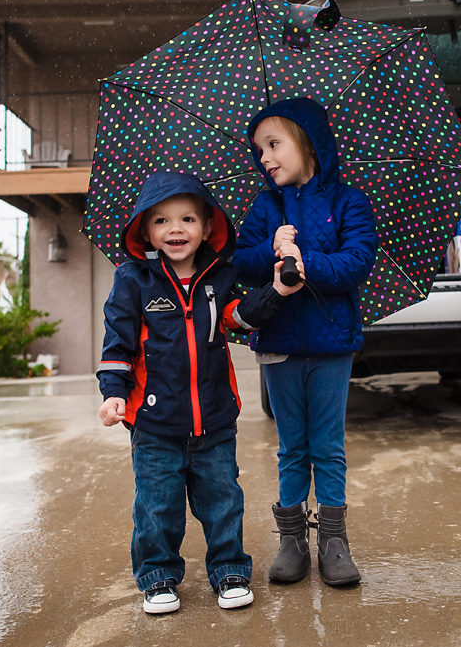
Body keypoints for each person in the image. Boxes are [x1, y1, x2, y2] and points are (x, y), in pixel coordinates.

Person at [97, 172, 303, 614]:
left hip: (213, 418)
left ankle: (229, 569)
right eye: (162, 221)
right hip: (153, 424)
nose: (175, 229)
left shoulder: (219, 275)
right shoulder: (133, 280)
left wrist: (279, 290)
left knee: (223, 500)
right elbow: (118, 343)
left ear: (208, 227)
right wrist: (114, 392)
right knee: (157, 507)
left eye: (188, 218)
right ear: (145, 230)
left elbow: (238, 317)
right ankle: (157, 577)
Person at [234, 97, 376, 587]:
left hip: (333, 344)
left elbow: (355, 264)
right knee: (292, 446)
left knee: (328, 446)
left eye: (273, 144)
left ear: (308, 144)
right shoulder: (265, 205)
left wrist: (305, 258)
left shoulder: (348, 202)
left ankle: (334, 541)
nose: (265, 158)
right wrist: (272, 245)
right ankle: (291, 540)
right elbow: (240, 262)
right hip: (278, 342)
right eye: (259, 150)